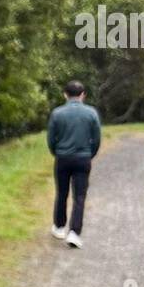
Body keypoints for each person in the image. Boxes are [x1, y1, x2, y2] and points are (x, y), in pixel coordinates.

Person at [47, 80, 101, 249]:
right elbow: (97, 139)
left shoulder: (57, 113)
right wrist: (89, 154)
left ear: (65, 94)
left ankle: (59, 226)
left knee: (61, 192)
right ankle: (74, 232)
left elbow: (51, 139)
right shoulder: (91, 113)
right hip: (83, 158)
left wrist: (57, 152)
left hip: (62, 157)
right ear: (83, 94)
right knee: (79, 196)